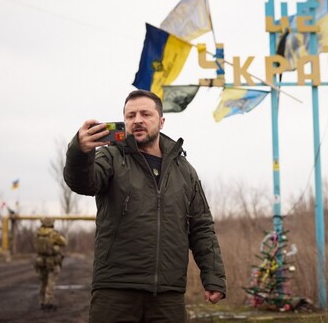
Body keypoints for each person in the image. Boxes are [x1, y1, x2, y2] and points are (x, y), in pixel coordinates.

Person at [63, 89, 226, 323]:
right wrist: (80, 151)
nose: (137, 120)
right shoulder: (111, 157)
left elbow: (201, 226)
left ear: (161, 121)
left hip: (168, 295)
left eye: (145, 114)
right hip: (115, 291)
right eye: (130, 116)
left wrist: (214, 277)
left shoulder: (184, 170)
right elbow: (83, 183)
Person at [34, 217, 67, 310]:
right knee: (51, 282)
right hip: (52, 261)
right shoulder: (54, 234)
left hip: (40, 261)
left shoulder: (38, 233)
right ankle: (48, 302)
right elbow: (64, 242)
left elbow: (36, 246)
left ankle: (41, 301)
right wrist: (56, 246)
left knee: (43, 282)